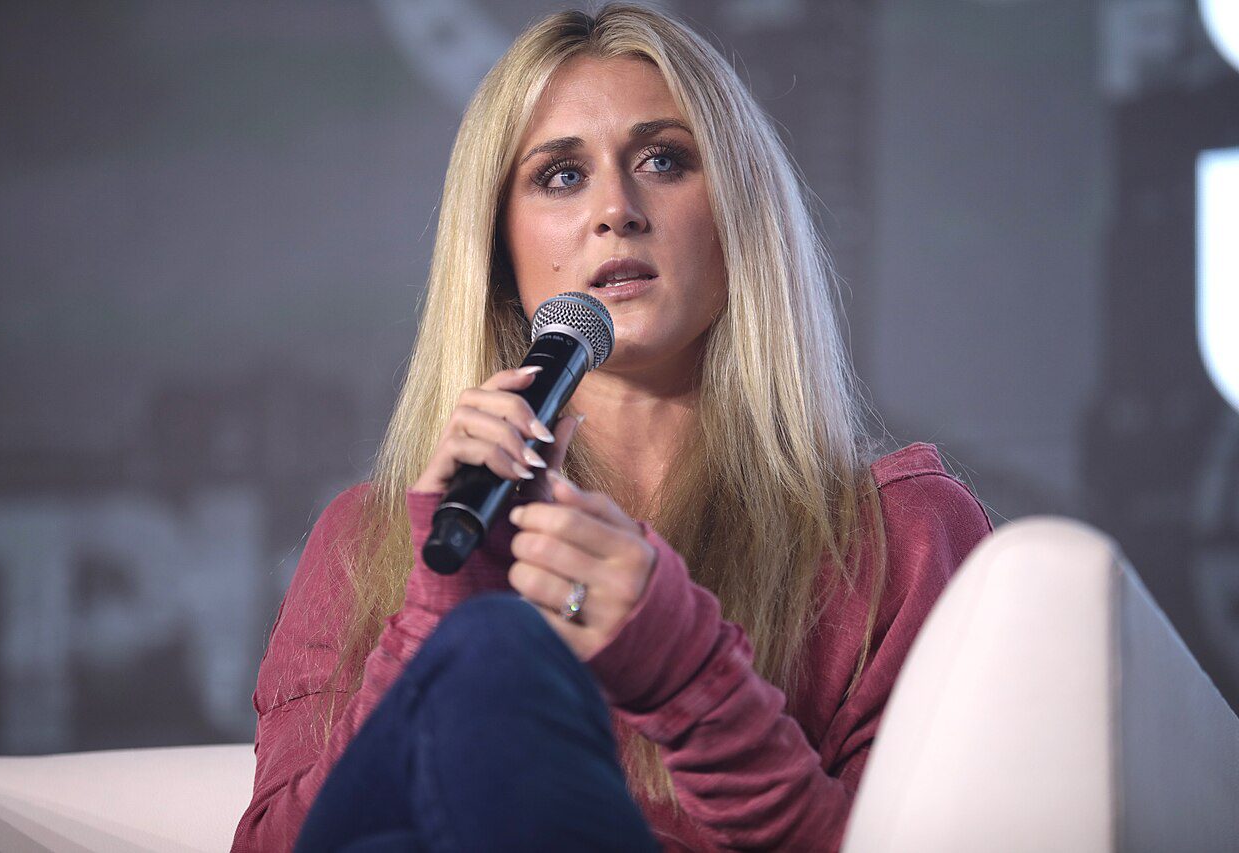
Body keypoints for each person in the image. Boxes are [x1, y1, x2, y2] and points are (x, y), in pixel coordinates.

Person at [231, 4, 994, 851]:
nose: (617, 209)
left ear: (738, 213)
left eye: (664, 160)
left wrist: (688, 676)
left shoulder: (902, 536)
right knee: (486, 644)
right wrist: (437, 611)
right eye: (561, 175)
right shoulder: (363, 543)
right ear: (498, 253)